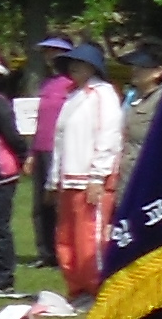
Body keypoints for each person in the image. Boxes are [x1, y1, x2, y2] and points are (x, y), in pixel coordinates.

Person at [45, 38, 124, 305]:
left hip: (89, 178)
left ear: (93, 67)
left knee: (89, 237)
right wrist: (53, 180)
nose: (74, 68)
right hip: (68, 178)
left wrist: (98, 176)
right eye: (71, 64)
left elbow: (108, 136)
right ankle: (76, 288)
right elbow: (60, 141)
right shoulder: (72, 96)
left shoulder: (103, 94)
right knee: (66, 237)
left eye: (80, 63)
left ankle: (96, 289)